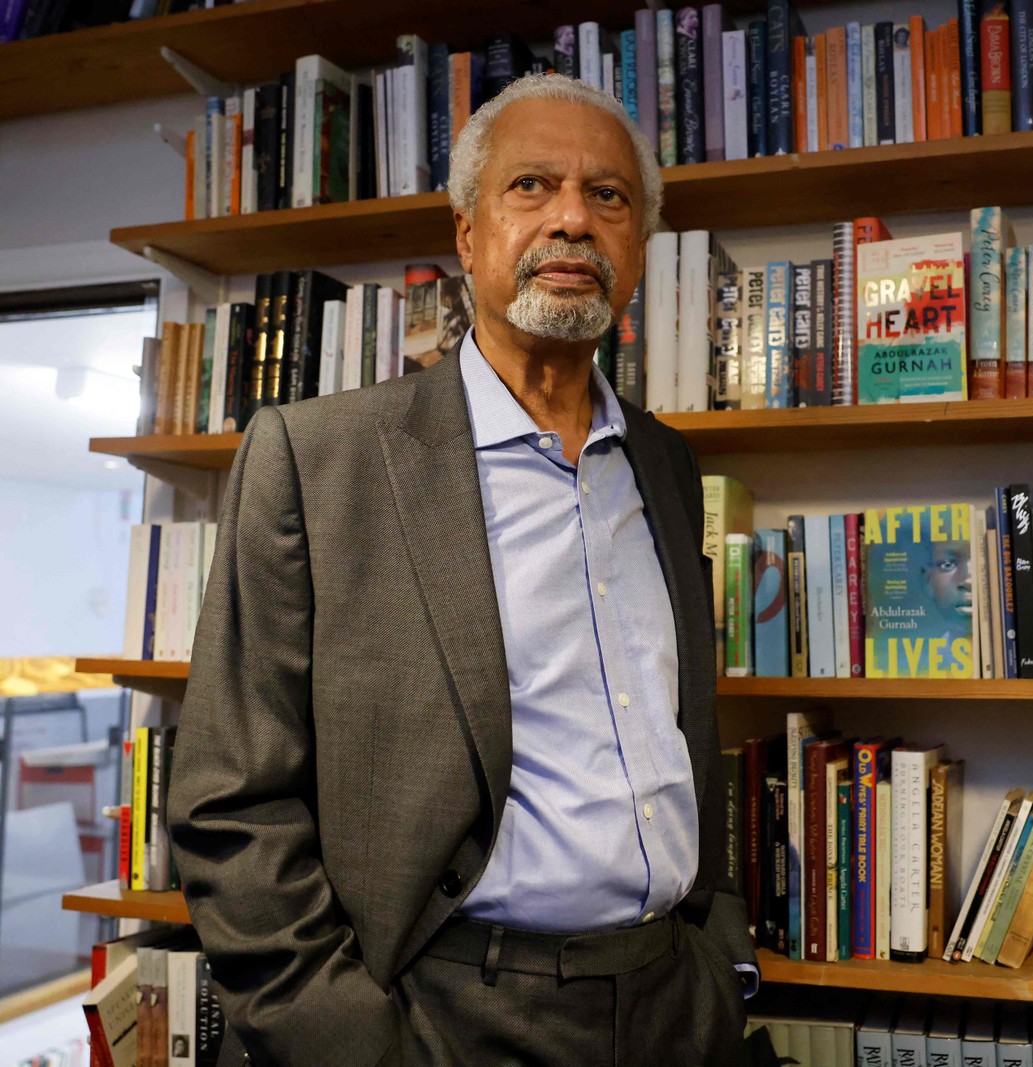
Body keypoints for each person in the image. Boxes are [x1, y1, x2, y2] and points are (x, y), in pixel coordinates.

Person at [168, 73, 755, 1067]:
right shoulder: (319, 462)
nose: (573, 217)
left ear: (638, 251)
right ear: (468, 234)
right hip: (436, 1011)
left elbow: (680, 735)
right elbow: (228, 800)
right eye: (533, 185)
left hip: (669, 1007)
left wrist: (718, 959)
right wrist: (353, 1039)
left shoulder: (665, 464)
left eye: (608, 196)